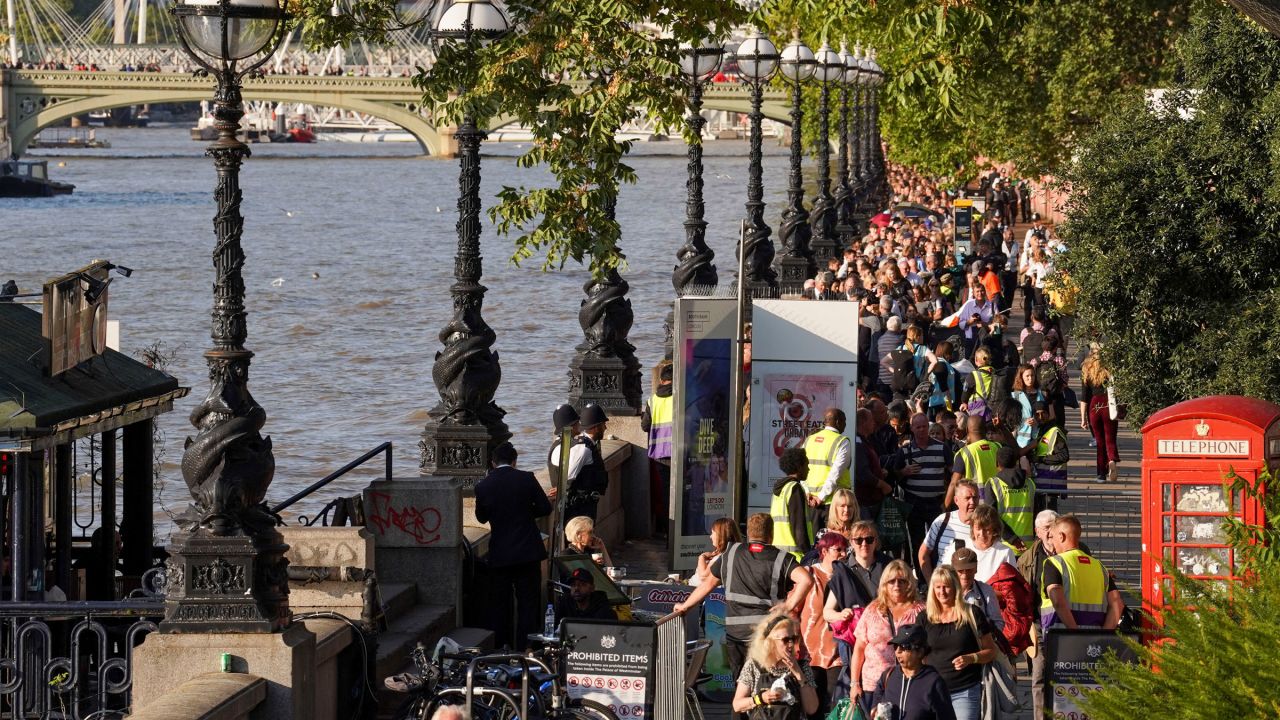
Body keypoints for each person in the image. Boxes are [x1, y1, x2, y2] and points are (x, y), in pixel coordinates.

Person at [675, 513, 814, 714]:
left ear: (748, 533)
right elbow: (806, 580)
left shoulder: (731, 553)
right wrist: (788, 605)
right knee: (768, 689)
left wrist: (685, 606)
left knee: (741, 692)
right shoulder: (782, 558)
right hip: (766, 637)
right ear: (771, 535)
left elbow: (707, 585)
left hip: (736, 635)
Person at [474, 442, 555, 649]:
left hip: (500, 555)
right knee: (528, 604)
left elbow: (481, 518)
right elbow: (545, 508)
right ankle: (526, 648)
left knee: (500, 605)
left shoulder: (483, 486)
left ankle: (502, 646)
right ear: (514, 461)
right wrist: (526, 514)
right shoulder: (526, 479)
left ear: (492, 463)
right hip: (528, 552)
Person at [922, 566, 998, 720]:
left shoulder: (972, 613)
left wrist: (971, 658)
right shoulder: (924, 617)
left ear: (955, 587)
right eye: (938, 587)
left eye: (946, 587)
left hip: (965, 690)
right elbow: (919, 653)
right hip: (932, 691)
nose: (942, 592)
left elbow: (991, 651)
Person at [851, 560, 924, 715]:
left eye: (902, 581)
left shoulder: (920, 611)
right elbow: (859, 648)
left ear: (909, 583)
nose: (896, 585)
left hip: (909, 684)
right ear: (884, 584)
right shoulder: (872, 609)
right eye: (891, 581)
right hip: (874, 685)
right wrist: (854, 683)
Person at [732, 614, 820, 720]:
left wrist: (799, 674)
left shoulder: (802, 666)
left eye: (794, 638)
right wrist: (761, 698)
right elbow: (737, 705)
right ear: (770, 642)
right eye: (786, 639)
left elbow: (812, 709)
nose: (791, 644)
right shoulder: (754, 665)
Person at [799, 533, 850, 714]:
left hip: (837, 652)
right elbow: (792, 610)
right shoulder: (808, 574)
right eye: (839, 550)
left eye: (846, 549)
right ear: (824, 551)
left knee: (836, 707)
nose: (844, 554)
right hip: (809, 651)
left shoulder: (847, 576)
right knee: (813, 708)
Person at [870, 624, 956, 720]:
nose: (898, 651)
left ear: (920, 652)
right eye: (896, 646)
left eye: (904, 646)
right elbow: (877, 698)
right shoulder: (888, 676)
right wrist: (875, 711)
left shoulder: (933, 683)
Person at [549, 403, 610, 523]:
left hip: (579, 506)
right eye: (603, 424)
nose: (605, 428)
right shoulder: (583, 448)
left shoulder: (566, 444)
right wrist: (562, 487)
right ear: (596, 427)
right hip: (579, 509)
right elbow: (568, 477)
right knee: (581, 540)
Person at [803, 408, 853, 530]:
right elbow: (835, 474)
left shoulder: (810, 440)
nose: (845, 425)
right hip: (834, 502)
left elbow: (801, 469)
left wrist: (807, 493)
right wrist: (821, 497)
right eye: (844, 421)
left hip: (811, 502)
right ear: (837, 421)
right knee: (834, 543)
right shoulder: (842, 441)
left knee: (814, 543)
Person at [918, 480, 979, 580]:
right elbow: (923, 554)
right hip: (943, 588)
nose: (972, 502)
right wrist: (931, 583)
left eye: (975, 497)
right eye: (967, 498)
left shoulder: (984, 527)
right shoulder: (943, 521)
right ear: (956, 500)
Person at [641, 359, 674, 535]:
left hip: (660, 454)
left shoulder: (652, 400)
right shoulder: (681, 397)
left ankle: (667, 530)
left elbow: (645, 426)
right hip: (679, 452)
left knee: (666, 492)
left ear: (661, 381)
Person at [1079, 353, 1119, 483]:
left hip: (1094, 406)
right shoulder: (1109, 371)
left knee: (1099, 442)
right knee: (1110, 438)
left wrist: (1083, 419)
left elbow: (1084, 399)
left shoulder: (1087, 372)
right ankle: (1112, 460)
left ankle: (1101, 475)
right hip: (1108, 405)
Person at [988, 446, 1035, 553]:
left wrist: (1012, 539)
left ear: (997, 463)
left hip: (1002, 546)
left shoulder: (993, 484)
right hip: (1028, 547)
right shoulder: (1030, 484)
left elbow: (990, 516)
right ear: (1017, 462)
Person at [947, 416, 1001, 506]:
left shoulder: (964, 453)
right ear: (985, 429)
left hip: (975, 504)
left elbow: (953, 483)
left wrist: (945, 507)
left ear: (967, 429)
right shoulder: (998, 447)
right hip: (999, 501)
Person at [950, 548, 1003, 635]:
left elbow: (997, 622)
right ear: (953, 571)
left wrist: (989, 640)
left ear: (976, 569)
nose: (964, 575)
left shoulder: (986, 591)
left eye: (969, 570)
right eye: (960, 571)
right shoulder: (945, 591)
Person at [772, 448, 813, 560]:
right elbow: (798, 526)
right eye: (806, 465)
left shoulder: (780, 490)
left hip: (779, 553)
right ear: (799, 467)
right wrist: (808, 553)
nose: (808, 469)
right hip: (795, 556)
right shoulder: (795, 488)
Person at [1031, 403, 1069, 512]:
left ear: (1049, 414)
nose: (1041, 417)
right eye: (1037, 414)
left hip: (1050, 485)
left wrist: (1041, 459)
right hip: (1043, 484)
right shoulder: (1040, 430)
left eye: (1043, 413)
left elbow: (1064, 456)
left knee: (1050, 517)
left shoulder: (1054, 431)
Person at [693, 517, 743, 586]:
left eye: (713, 533)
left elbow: (704, 578)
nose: (710, 536)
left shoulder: (722, 556)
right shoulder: (735, 553)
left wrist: (702, 557)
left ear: (720, 535)